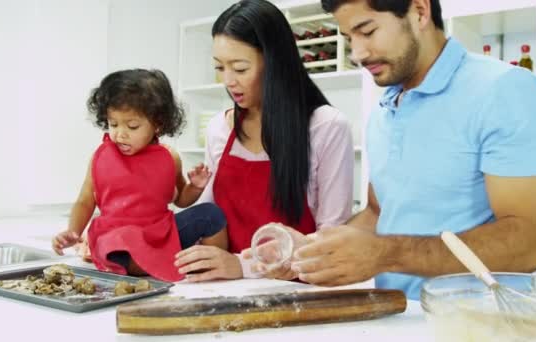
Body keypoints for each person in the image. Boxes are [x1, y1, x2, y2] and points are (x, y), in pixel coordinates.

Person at [286, 0, 536, 299]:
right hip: (397, 317)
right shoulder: (384, 112)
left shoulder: (505, 90)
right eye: (348, 38)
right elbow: (377, 212)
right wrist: (310, 250)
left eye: (367, 31)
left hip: (477, 324)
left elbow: (530, 242)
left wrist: (389, 254)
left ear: (420, 11)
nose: (357, 54)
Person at [174, 0, 355, 281]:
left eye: (240, 68)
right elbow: (208, 216)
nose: (228, 81)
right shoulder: (219, 128)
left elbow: (330, 241)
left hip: (296, 292)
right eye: (220, 68)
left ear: (275, 63)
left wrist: (243, 266)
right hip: (224, 288)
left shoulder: (326, 126)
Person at [51, 69, 228, 282]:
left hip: (161, 234)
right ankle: (163, 264)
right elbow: (85, 201)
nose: (120, 134)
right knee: (123, 240)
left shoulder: (169, 157)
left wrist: (196, 187)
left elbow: (181, 200)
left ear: (157, 124)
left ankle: (210, 269)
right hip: (117, 240)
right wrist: (73, 231)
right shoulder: (101, 157)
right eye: (113, 124)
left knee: (211, 214)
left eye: (132, 126)